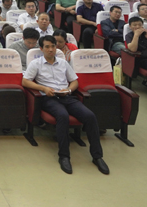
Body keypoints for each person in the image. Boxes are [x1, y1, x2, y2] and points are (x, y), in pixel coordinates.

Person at [22, 35, 109, 175]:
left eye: (53, 46)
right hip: (48, 98)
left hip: (67, 96)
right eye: (47, 47)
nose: (51, 49)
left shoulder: (63, 63)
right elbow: (25, 82)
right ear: (41, 49)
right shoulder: (36, 64)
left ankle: (97, 156)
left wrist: (68, 89)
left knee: (90, 116)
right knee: (63, 116)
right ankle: (64, 156)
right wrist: (43, 88)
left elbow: (74, 81)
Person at [126, 16, 147, 89]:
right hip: (144, 59)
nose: (138, 27)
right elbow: (133, 49)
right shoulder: (129, 35)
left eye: (140, 25)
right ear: (130, 26)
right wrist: (136, 35)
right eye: (135, 25)